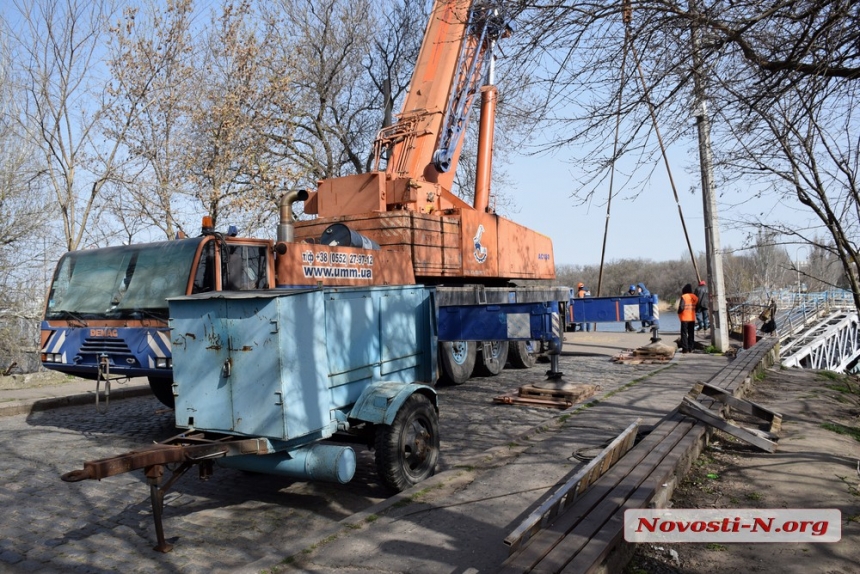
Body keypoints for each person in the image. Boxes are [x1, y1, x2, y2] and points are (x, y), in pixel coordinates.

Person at [678, 283, 699, 353]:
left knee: (684, 333)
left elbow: (681, 307)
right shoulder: (695, 297)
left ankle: (685, 348)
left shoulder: (684, 296)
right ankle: (691, 347)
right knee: (691, 333)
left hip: (684, 318)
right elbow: (697, 307)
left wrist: (678, 312)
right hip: (692, 317)